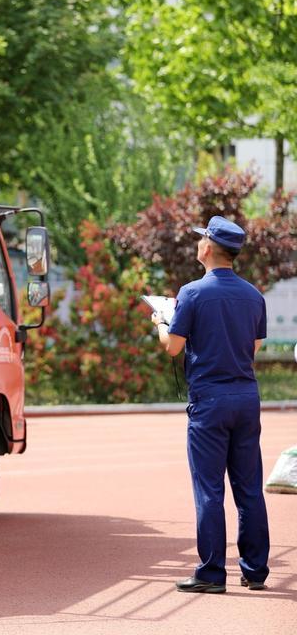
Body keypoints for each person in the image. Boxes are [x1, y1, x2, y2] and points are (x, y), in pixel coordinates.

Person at [153, 215, 270, 594]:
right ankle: (255, 571)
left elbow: (173, 346)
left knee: (209, 489)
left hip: (209, 401)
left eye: (200, 238)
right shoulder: (254, 296)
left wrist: (160, 321)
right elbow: (252, 350)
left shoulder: (190, 293)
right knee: (249, 488)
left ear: (207, 247)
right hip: (246, 398)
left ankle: (211, 572)